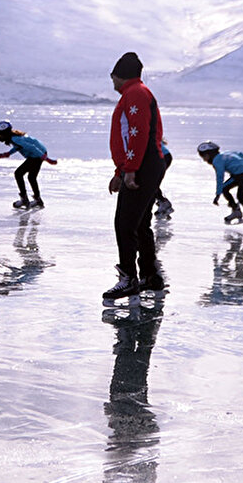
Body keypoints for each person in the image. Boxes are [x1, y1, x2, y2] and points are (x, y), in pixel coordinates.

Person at [104, 51, 165, 300]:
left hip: (144, 164)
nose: (112, 82)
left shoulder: (135, 93)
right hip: (143, 164)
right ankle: (150, 276)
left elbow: (138, 135)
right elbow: (129, 135)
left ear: (119, 75)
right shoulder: (134, 92)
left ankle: (128, 277)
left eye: (114, 77)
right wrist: (121, 171)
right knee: (139, 223)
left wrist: (130, 170)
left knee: (125, 223)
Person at [197, 142, 243, 228]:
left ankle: (236, 210)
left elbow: (220, 177)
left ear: (209, 154)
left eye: (203, 156)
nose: (204, 160)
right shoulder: (226, 153)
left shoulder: (217, 161)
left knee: (227, 190)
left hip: (239, 174)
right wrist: (241, 164)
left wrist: (217, 194)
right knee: (241, 196)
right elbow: (241, 154)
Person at [0, 120, 54, 209]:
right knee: (31, 177)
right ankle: (38, 200)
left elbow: (31, 147)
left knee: (18, 174)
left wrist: (46, 158)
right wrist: (8, 153)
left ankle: (25, 199)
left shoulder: (15, 139)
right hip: (39, 153)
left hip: (37, 155)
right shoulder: (14, 138)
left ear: (5, 133)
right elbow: (19, 147)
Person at [153, 139, 175, 219]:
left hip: (162, 157)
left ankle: (163, 203)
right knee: (153, 182)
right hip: (165, 156)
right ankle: (162, 203)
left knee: (151, 182)